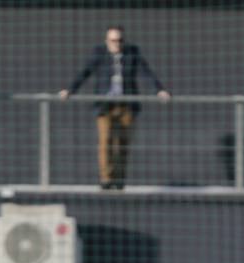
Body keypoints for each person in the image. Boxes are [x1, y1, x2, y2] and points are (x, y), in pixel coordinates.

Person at [60, 26, 169, 190]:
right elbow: (85, 72)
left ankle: (120, 179)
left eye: (119, 40)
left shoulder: (132, 53)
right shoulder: (99, 53)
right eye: (113, 41)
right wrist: (70, 90)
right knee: (106, 142)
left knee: (123, 144)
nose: (116, 44)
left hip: (126, 105)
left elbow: (146, 72)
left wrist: (159, 89)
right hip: (105, 105)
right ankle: (106, 179)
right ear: (107, 41)